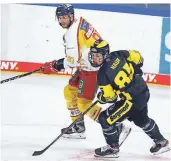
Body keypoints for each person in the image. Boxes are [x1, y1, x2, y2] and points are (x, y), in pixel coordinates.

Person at [42, 4, 130, 140]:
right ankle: (78, 127)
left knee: (84, 104)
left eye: (65, 17)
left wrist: (55, 65)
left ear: (71, 16)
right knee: (69, 91)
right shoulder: (79, 22)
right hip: (87, 66)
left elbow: (72, 61)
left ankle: (116, 126)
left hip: (93, 70)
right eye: (60, 18)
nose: (62, 21)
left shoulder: (72, 33)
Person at [87, 40, 170, 158]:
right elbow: (138, 57)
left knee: (104, 118)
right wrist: (136, 67)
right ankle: (161, 142)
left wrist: (101, 97)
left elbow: (111, 97)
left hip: (131, 101)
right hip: (143, 91)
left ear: (105, 54)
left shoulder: (102, 74)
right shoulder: (118, 54)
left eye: (98, 56)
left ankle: (112, 148)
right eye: (93, 56)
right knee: (141, 119)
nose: (95, 59)